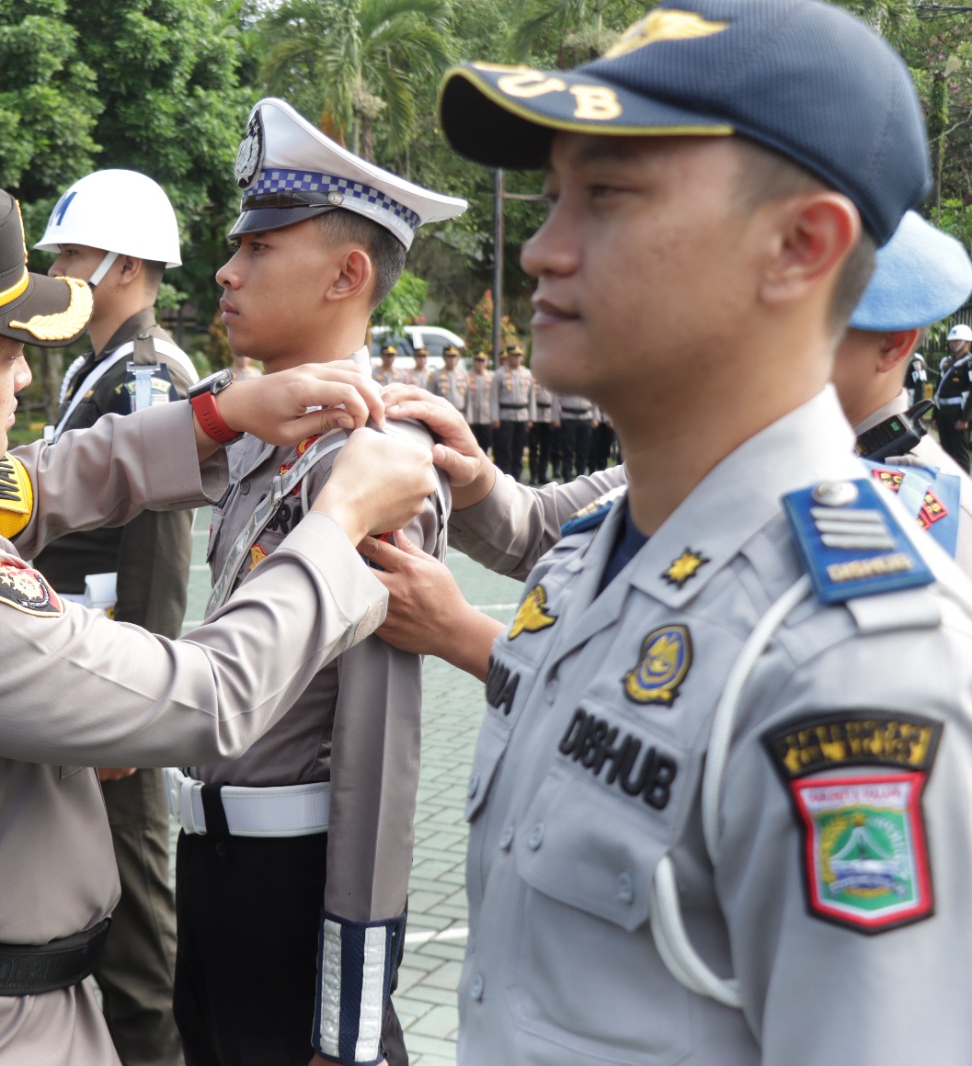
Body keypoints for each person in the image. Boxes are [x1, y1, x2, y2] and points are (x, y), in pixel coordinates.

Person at [366, 1, 972, 1060]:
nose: (544, 251)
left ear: (799, 246)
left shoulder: (853, 662)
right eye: (554, 197)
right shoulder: (596, 554)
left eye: (605, 196)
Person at [0, 173, 440, 1066]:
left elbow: (29, 486)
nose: (28, 375)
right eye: (8, 352)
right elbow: (209, 697)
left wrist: (216, 417)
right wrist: (340, 524)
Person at [176, 96, 464, 1066]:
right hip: (216, 873)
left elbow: (378, 766)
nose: (226, 269)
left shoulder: (368, 467)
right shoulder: (268, 447)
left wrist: (344, 1023)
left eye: (259, 248)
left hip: (295, 895)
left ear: (348, 273)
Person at [378, 209, 972, 581]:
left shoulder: (939, 515)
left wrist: (464, 636)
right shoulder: (723, 450)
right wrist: (474, 476)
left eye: (804, 320)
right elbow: (543, 529)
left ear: (893, 345)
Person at [30, 168, 194, 1066]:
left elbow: (161, 548)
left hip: (113, 673)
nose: (58, 269)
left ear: (126, 265)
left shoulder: (146, 374)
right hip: (77, 660)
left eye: (73, 254)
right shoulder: (97, 367)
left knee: (136, 932)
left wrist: (140, 697)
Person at [490, 343, 533, 479]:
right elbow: (493, 397)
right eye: (514, 356)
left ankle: (517, 477)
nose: (516, 359)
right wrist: (495, 417)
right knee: (504, 449)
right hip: (505, 416)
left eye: (519, 356)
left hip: (522, 415)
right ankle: (504, 477)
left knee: (519, 449)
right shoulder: (499, 374)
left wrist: (531, 417)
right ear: (508, 357)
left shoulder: (526, 373)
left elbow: (531, 397)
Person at [936, 322, 972, 471]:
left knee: (960, 453)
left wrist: (965, 419)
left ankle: (966, 489)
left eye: (957, 340)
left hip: (958, 413)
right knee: (946, 452)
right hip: (943, 411)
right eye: (952, 340)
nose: (953, 343)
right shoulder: (946, 362)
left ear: (967, 343)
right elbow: (938, 391)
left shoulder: (969, 363)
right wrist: (934, 416)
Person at [552, 389, 596, 479]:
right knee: (568, 449)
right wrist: (555, 417)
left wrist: (596, 416)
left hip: (586, 417)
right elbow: (555, 398)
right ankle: (567, 475)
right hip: (568, 417)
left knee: (583, 450)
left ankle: (581, 474)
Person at [464, 351, 495, 455]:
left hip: (487, 417)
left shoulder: (492, 377)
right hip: (472, 417)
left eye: (482, 361)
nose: (480, 363)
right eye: (478, 360)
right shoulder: (466, 376)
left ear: (486, 362)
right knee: (472, 446)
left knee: (486, 445)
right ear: (474, 362)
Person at [527, 376, 556, 484]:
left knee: (546, 448)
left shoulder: (552, 382)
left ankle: (542, 474)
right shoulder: (531, 381)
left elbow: (556, 400)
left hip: (548, 417)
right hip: (535, 417)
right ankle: (533, 475)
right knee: (533, 447)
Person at [433, 345, 468, 413]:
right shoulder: (436, 374)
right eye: (449, 356)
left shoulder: (463, 374)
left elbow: (467, 396)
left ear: (458, 358)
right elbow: (431, 394)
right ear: (444, 358)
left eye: (454, 356)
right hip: (443, 411)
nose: (452, 359)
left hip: (460, 411)